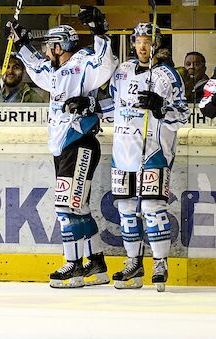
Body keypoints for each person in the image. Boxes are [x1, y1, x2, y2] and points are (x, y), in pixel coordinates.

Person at [14, 5, 117, 288]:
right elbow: (37, 69)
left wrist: (99, 32)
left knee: (65, 209)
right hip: (63, 146)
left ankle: (73, 264)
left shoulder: (83, 63)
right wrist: (20, 44)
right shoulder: (55, 71)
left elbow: (105, 66)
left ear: (59, 46)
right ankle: (95, 264)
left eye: (49, 45)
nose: (46, 49)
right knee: (78, 208)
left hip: (79, 142)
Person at [102, 23, 189, 291]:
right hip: (122, 151)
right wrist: (91, 108)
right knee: (127, 211)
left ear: (157, 44)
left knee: (152, 209)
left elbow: (184, 113)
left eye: (148, 41)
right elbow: (111, 105)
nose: (142, 46)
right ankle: (133, 263)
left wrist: (160, 108)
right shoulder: (122, 72)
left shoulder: (168, 76)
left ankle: (160, 262)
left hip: (153, 151)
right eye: (139, 41)